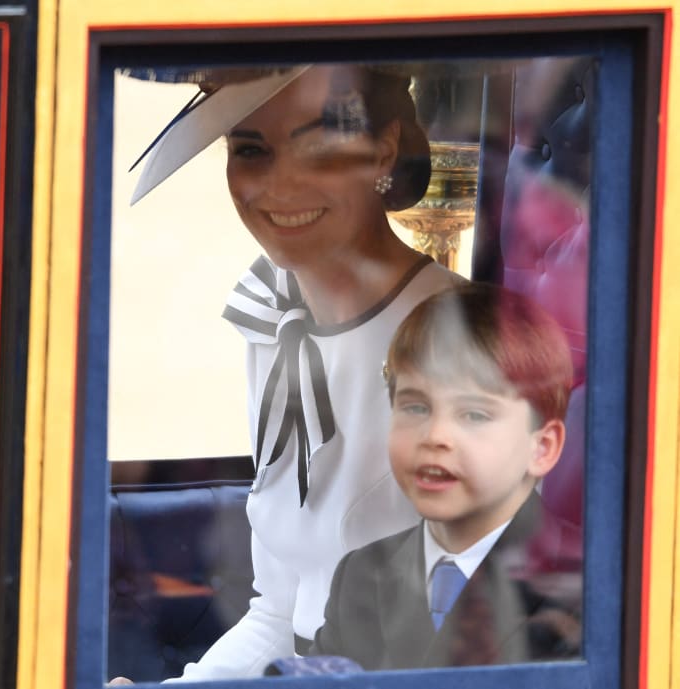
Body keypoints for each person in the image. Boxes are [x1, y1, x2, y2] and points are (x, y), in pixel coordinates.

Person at [111, 62, 461, 683]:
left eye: (319, 147)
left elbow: (459, 646)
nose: (279, 187)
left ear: (381, 152)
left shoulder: (458, 344)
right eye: (251, 149)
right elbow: (277, 612)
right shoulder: (273, 313)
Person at [308, 282, 582, 669]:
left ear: (542, 447)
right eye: (416, 407)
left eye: (474, 415)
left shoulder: (581, 584)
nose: (435, 436)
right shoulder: (362, 572)